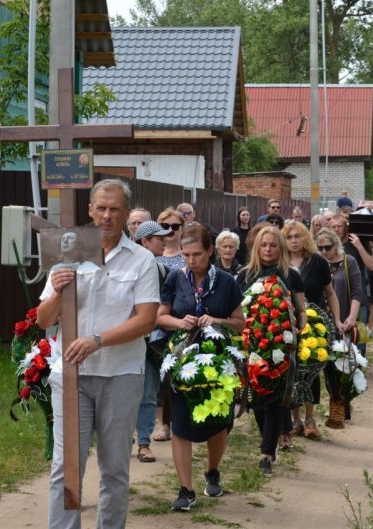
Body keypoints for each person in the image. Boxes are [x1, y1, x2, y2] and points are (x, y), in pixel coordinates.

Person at [37, 179, 160, 529]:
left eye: (115, 209)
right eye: (101, 208)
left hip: (120, 374)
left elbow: (146, 320)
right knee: (66, 466)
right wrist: (59, 292)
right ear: (90, 210)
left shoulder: (141, 261)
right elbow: (44, 319)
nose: (107, 215)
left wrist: (96, 340)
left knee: (115, 468)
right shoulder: (68, 253)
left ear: (125, 214)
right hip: (70, 376)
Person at [156, 224, 246, 511]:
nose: (191, 261)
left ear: (211, 251)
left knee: (218, 422)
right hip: (182, 360)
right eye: (186, 255)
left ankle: (212, 470)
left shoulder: (227, 282)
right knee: (180, 423)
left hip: (217, 361)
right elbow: (161, 317)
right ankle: (186, 489)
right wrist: (180, 322)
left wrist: (216, 320)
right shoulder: (175, 277)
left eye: (197, 254)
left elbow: (240, 322)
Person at [238, 226, 307, 476]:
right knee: (257, 398)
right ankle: (267, 443)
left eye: (273, 245)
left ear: (280, 247)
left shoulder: (292, 275)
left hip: (283, 345)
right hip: (253, 345)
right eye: (264, 245)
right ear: (257, 247)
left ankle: (266, 453)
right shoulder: (245, 275)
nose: (268, 249)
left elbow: (301, 308)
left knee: (276, 400)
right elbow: (237, 310)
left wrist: (300, 328)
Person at [283, 221, 343, 439]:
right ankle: (295, 419)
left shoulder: (317, 261)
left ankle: (309, 418)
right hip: (288, 324)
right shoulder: (281, 263)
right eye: (289, 237)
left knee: (311, 368)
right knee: (291, 370)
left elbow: (331, 293)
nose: (294, 241)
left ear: (305, 238)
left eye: (298, 236)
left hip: (315, 323)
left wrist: (337, 320)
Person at [132, 221, 173, 464]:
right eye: (159, 238)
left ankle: (144, 443)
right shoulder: (126, 267)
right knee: (123, 393)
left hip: (152, 342)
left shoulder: (161, 270)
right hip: (127, 340)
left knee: (148, 393)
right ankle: (122, 438)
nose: (165, 241)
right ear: (144, 241)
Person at [316, 227, 365, 427]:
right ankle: (336, 402)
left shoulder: (348, 262)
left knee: (342, 367)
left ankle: (339, 404)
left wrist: (352, 317)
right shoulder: (317, 263)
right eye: (320, 248)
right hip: (321, 322)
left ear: (336, 245)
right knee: (326, 367)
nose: (324, 252)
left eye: (328, 247)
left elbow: (357, 292)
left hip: (343, 321)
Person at [153, 207, 187, 442]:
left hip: (182, 320)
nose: (171, 231)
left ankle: (180, 419)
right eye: (166, 227)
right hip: (154, 318)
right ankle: (161, 422)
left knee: (179, 372)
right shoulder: (152, 256)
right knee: (159, 374)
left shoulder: (189, 256)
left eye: (176, 226)